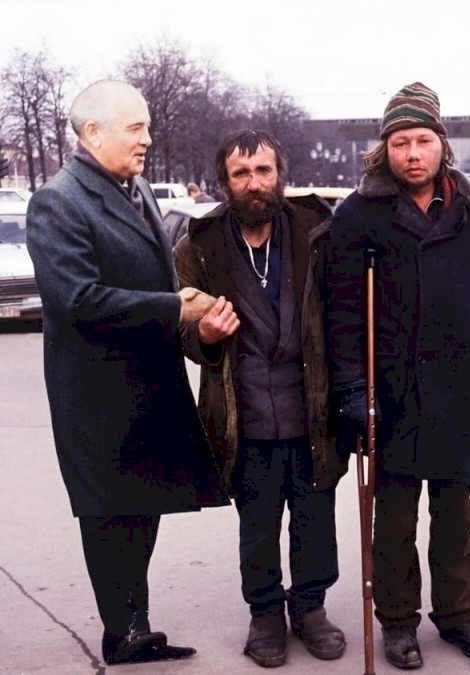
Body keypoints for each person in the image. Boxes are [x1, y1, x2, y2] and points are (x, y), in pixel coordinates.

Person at [26, 79, 229, 666]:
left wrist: (182, 311)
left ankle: (134, 626)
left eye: (147, 127)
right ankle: (122, 632)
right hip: (96, 395)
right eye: (135, 128)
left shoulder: (133, 187)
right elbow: (76, 300)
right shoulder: (58, 201)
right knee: (110, 514)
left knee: (140, 507)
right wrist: (173, 307)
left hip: (146, 386)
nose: (147, 139)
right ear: (94, 132)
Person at [326, 82, 470, 669]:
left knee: (455, 514)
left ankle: (457, 616)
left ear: (442, 144)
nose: (412, 153)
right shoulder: (359, 215)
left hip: (460, 389)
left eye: (423, 141)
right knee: (395, 517)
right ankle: (398, 621)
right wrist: (352, 389)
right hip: (393, 392)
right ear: (385, 149)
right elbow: (343, 312)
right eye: (401, 142)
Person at [173, 129, 348, 668]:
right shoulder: (198, 245)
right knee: (258, 524)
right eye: (241, 174)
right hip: (242, 414)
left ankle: (311, 607)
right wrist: (203, 337)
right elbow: (179, 328)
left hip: (312, 407)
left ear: (280, 175)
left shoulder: (317, 232)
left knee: (315, 518)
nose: (254, 183)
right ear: (224, 182)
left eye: (263, 171)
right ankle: (266, 613)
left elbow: (346, 315)